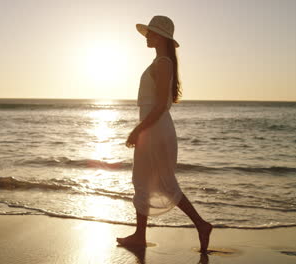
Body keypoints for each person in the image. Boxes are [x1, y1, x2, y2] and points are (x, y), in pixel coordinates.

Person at [116, 15, 213, 253]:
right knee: (142, 181)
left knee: (165, 183)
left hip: (155, 129)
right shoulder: (161, 61)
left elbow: (160, 105)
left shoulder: (163, 62)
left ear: (160, 36)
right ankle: (139, 235)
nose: (147, 36)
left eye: (150, 32)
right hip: (152, 128)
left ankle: (202, 225)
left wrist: (138, 129)